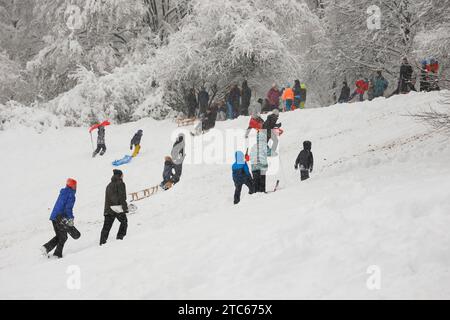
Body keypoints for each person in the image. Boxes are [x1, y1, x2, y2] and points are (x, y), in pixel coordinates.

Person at [41, 178, 77, 259]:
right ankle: (57, 254)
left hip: (54, 217)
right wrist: (70, 219)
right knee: (63, 237)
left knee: (60, 236)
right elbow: (68, 208)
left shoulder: (63, 192)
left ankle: (46, 248)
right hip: (60, 218)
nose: (75, 187)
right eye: (75, 186)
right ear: (72, 186)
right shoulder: (71, 195)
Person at [100, 170, 128, 246]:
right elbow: (122, 197)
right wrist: (125, 208)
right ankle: (120, 238)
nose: (123, 176)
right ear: (120, 175)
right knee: (124, 222)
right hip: (117, 208)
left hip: (108, 209)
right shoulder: (120, 183)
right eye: (122, 174)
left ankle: (102, 243)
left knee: (106, 227)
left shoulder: (109, 185)